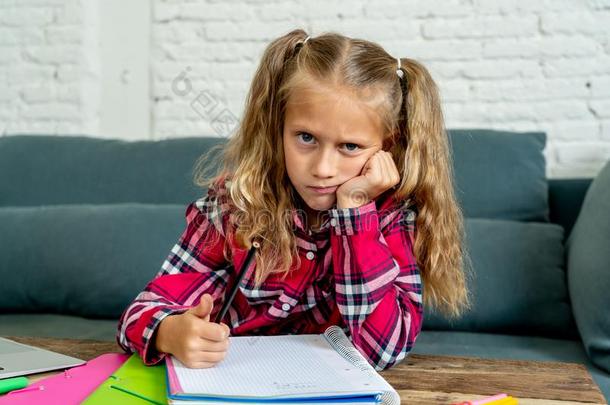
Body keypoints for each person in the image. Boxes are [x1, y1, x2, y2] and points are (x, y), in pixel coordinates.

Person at [117, 28, 470, 372]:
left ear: (386, 147)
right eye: (305, 137)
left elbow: (381, 352)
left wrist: (357, 214)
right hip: (231, 384)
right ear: (278, 128)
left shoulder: (391, 220)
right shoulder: (235, 207)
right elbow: (140, 311)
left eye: (350, 147)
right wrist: (168, 331)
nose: (322, 168)